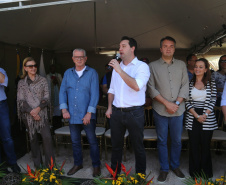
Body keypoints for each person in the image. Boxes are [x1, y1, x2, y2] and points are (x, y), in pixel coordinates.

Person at [106, 36, 150, 174]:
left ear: (132, 48)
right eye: (119, 46)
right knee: (116, 146)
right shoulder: (116, 68)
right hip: (117, 112)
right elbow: (111, 90)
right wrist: (109, 107)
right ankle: (115, 174)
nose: (120, 49)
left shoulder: (142, 67)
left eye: (123, 46)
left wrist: (119, 70)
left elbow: (136, 86)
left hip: (135, 113)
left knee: (138, 146)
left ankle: (140, 176)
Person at [148, 36, 189, 183]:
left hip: (178, 110)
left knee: (177, 141)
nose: (168, 48)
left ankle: (175, 166)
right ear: (161, 49)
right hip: (160, 109)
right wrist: (167, 103)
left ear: (174, 48)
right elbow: (150, 88)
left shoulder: (181, 65)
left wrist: (176, 103)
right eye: (165, 46)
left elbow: (185, 85)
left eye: (171, 46)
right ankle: (164, 168)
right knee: (162, 140)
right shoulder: (152, 66)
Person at [59, 49, 100, 177]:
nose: (79, 59)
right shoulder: (67, 73)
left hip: (87, 115)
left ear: (86, 58)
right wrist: (64, 109)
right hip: (72, 115)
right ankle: (78, 163)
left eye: (81, 57)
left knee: (92, 141)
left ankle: (96, 166)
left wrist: (89, 113)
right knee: (75, 141)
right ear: (72, 59)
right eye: (76, 57)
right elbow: (62, 92)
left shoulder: (92, 73)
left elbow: (95, 94)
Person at [17, 57, 55, 168]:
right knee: (33, 140)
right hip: (28, 116)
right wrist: (32, 112)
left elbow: (47, 98)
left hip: (42, 114)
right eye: (30, 66)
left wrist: (38, 109)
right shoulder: (21, 83)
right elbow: (21, 101)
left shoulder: (43, 80)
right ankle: (38, 165)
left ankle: (50, 166)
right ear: (25, 68)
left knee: (47, 138)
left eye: (35, 65)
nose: (33, 68)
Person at [185, 58, 217, 178]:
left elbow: (213, 100)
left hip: (207, 116)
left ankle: (206, 172)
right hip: (193, 115)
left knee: (205, 146)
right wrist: (196, 115)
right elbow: (187, 101)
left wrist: (205, 115)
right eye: (196, 66)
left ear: (206, 69)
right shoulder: (189, 83)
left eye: (200, 67)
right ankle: (194, 172)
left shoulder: (211, 83)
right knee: (193, 145)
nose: (197, 69)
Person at [0, 68, 21, 173]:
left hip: (1, 105)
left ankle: (12, 163)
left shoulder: (1, 70)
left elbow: (3, 81)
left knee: (7, 137)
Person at [46, 64, 62, 130]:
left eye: (54, 68)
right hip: (51, 96)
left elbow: (62, 83)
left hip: (58, 95)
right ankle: (53, 126)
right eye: (51, 68)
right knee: (52, 114)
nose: (53, 69)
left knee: (58, 114)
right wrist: (52, 81)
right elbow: (47, 86)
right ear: (50, 69)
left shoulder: (59, 75)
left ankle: (59, 126)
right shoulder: (47, 76)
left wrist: (57, 81)